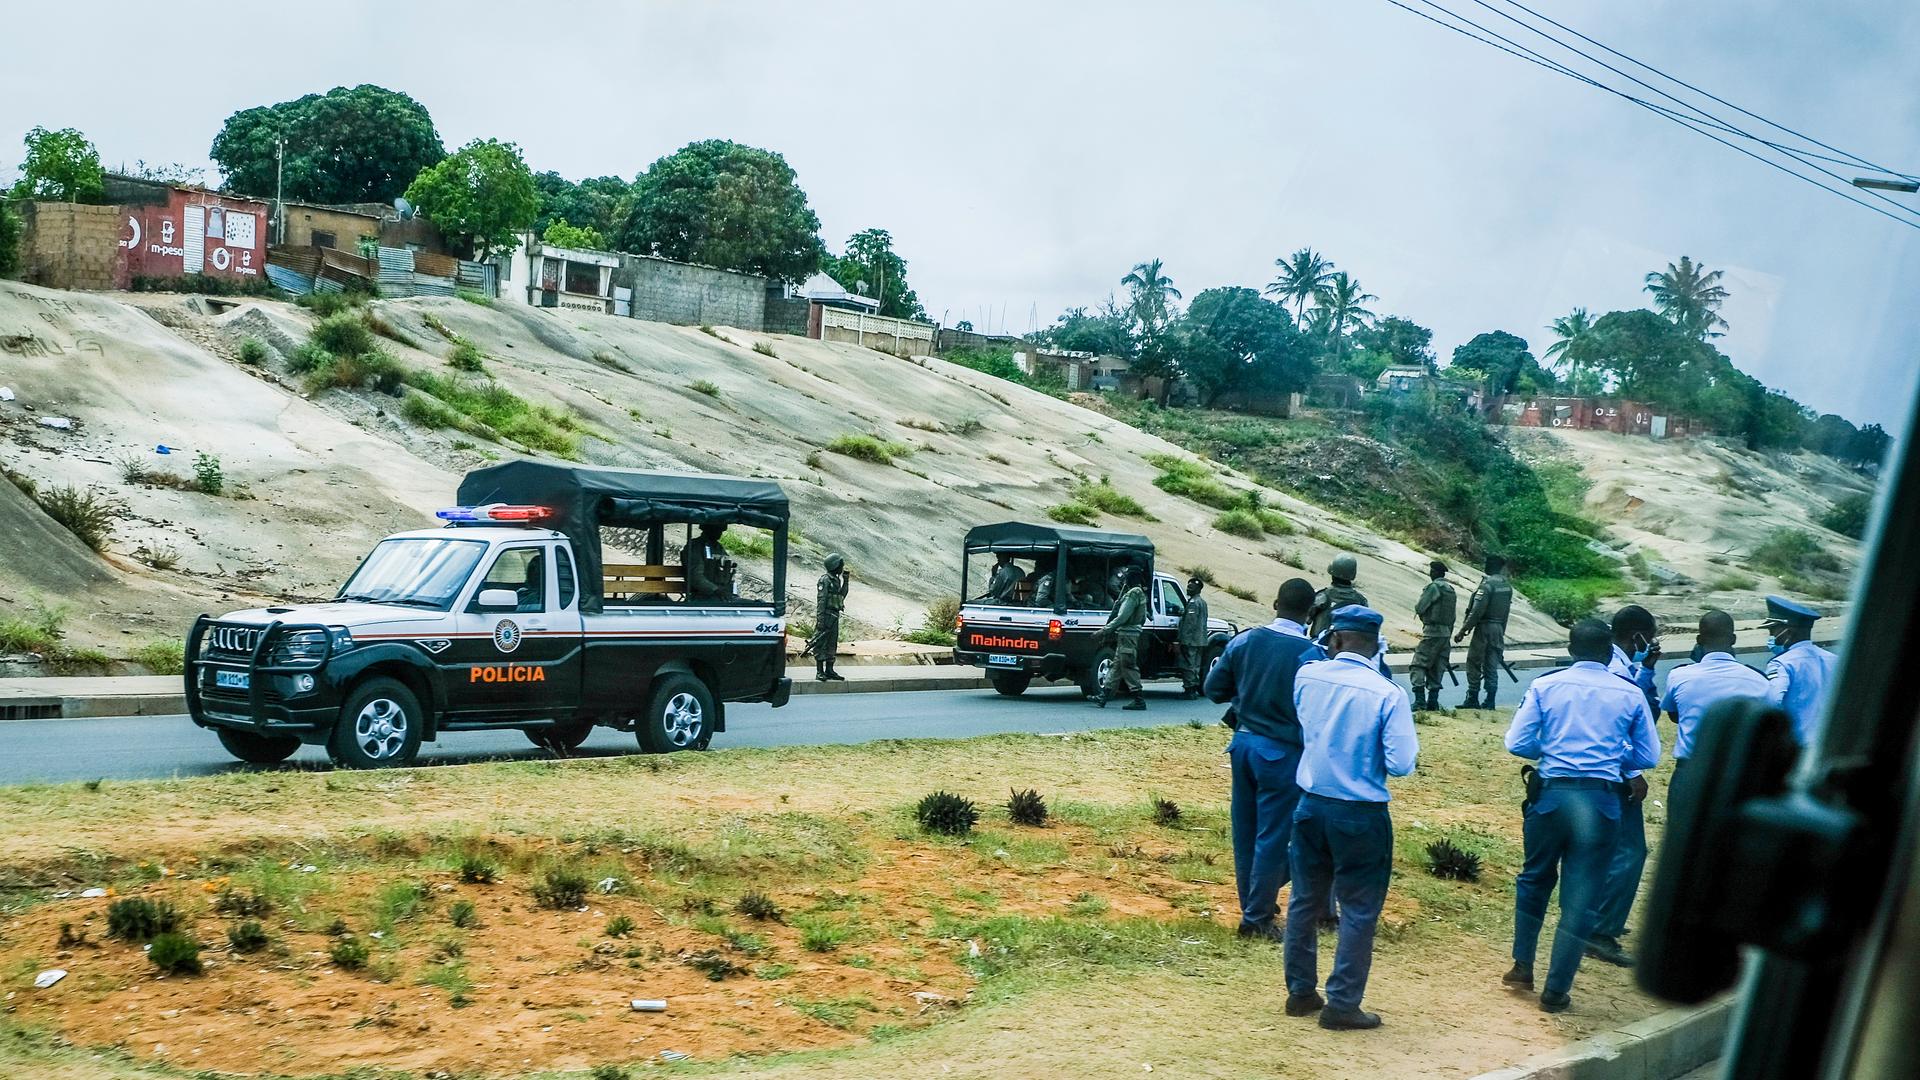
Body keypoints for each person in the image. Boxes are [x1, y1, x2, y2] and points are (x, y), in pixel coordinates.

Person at [1503, 619, 1661, 1013]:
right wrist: (1611, 754)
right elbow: (1648, 755)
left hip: (1551, 796)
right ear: (1610, 653)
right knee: (1582, 896)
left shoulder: (1545, 685)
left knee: (1535, 877)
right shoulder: (1628, 692)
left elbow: (1517, 742)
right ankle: (1556, 990)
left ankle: (1523, 964)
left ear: (1570, 650)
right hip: (1601, 801)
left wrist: (1553, 747)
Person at [1282, 605, 1418, 1031]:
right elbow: (1401, 764)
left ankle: (1301, 992)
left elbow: (1305, 723)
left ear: (1335, 639)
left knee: (1304, 900)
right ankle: (1342, 1003)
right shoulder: (1387, 694)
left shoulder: (1308, 677)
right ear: (1377, 644)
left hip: (1311, 803)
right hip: (1361, 811)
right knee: (1358, 909)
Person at [1205, 578, 1324, 943]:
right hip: (1282, 752)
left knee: (1245, 832)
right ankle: (1256, 916)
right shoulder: (1313, 655)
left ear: (1274, 604)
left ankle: (1255, 905)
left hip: (1241, 746)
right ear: (1312, 613)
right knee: (1273, 836)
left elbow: (1213, 690)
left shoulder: (1246, 640)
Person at [1587, 604, 1661, 966]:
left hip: (1592, 775)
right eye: (1651, 636)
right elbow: (1617, 730)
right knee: (1630, 852)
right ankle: (1601, 931)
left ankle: (1602, 916)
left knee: (1606, 849)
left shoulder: (1621, 665)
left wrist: (1647, 670)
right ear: (1638, 637)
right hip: (1614, 774)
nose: (1653, 643)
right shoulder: (1617, 671)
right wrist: (1631, 772)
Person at [1660, 609, 1771, 777]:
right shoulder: (1759, 680)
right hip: (1737, 774)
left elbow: (1675, 716)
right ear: (1733, 639)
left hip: (1691, 772)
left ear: (1698, 640)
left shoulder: (1679, 675)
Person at [1762, 595, 1838, 748]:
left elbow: (1772, 702)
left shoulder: (1781, 664)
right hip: (1831, 744)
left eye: (1773, 631)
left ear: (1788, 633)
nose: (1771, 637)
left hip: (1798, 747)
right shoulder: (1835, 659)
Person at [1456, 555, 1513, 710]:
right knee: (1491, 664)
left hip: (1484, 628)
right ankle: (1490, 700)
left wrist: (1463, 630)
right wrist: (1502, 632)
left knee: (1474, 662)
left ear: (1490, 566)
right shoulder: (1507, 587)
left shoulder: (1487, 586)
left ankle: (1472, 697)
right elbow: (1506, 613)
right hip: (1498, 629)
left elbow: (1476, 612)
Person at [1092, 565, 1149, 710]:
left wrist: (1104, 630)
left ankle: (1138, 699)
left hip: (1127, 635)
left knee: (1128, 667)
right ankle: (1103, 696)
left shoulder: (1133, 594)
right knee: (1116, 666)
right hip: (1127, 635)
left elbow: (1122, 617)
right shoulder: (1139, 593)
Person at [1410, 560, 1457, 711]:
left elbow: (1420, 607)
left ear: (1436, 573)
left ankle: (1419, 701)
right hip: (1446, 633)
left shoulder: (1434, 587)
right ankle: (1433, 701)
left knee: (1418, 664)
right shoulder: (1450, 589)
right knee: (1438, 667)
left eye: (1431, 571)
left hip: (1432, 631)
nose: (1430, 573)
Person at [1308, 555, 1368, 639]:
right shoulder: (1361, 601)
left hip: (1319, 643)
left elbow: (1306, 619)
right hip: (1347, 646)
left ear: (1331, 572)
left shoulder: (1323, 595)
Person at [812, 553, 850, 682]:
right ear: (835, 566)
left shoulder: (836, 580)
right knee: (820, 643)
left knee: (832, 643)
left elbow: (841, 596)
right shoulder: (825, 580)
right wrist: (820, 620)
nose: (842, 567)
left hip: (834, 616)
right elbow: (821, 601)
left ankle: (829, 670)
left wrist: (846, 581)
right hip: (826, 615)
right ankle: (819, 671)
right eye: (840, 565)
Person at [683, 523, 737, 602]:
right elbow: (695, 576)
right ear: (707, 529)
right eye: (717, 530)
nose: (720, 533)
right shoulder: (696, 546)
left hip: (718, 595)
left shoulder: (718, 548)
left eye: (721, 530)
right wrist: (716, 589)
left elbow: (727, 571)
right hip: (702, 596)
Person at [1176, 576, 1211, 698]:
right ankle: (1193, 688)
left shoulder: (1193, 603)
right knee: (1195, 665)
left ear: (1198, 589)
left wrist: (1183, 640)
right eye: (1188, 586)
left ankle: (1189, 690)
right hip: (1200, 640)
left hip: (1190, 640)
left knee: (1188, 665)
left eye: (1191, 587)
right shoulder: (1202, 602)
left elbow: (1190, 624)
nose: (1188, 589)